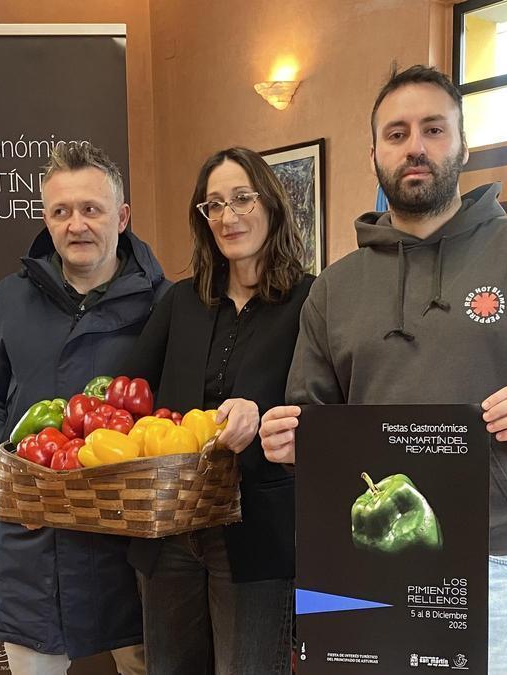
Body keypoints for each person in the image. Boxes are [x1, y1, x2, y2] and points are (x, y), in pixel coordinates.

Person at [258, 65, 507, 675]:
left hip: (495, 564)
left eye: (433, 129)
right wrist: (290, 440)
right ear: (374, 152)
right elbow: (313, 420)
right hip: (362, 561)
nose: (415, 147)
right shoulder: (335, 287)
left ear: (462, 143)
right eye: (396, 134)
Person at [0, 141, 168, 675]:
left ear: (121, 217)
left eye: (91, 209)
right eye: (61, 211)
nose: (77, 224)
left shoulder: (164, 302)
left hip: (132, 538)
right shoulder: (10, 297)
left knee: (147, 663)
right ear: (46, 220)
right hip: (34, 537)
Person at [122, 146, 314, 674]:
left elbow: (324, 405)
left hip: (256, 535)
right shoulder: (180, 301)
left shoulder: (310, 300)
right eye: (214, 205)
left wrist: (266, 414)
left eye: (242, 199)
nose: (228, 217)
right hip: (171, 533)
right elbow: (127, 396)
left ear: (272, 205)